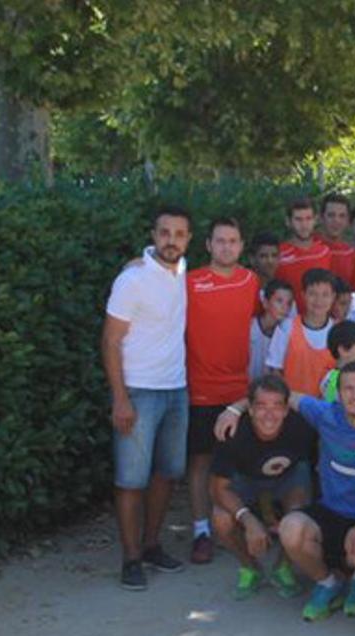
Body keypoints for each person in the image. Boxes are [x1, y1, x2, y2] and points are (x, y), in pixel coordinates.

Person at [215, 361, 355, 621]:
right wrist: (235, 408)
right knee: (291, 528)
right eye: (348, 388)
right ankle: (327, 582)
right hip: (331, 511)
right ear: (338, 392)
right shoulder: (325, 414)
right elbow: (277, 394)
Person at [103, 206, 192, 591]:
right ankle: (131, 558)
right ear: (154, 235)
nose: (171, 240)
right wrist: (120, 398)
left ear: (188, 239)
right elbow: (110, 340)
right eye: (165, 232)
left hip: (176, 389)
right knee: (130, 479)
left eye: (179, 233)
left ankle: (153, 544)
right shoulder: (132, 280)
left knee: (168, 474)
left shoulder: (184, 271)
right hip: (139, 390)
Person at [184, 217, 260, 565]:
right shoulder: (189, 282)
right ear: (208, 245)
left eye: (233, 240)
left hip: (239, 391)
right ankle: (201, 531)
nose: (226, 246)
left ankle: (239, 524)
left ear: (242, 246)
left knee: (239, 462)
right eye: (220, 240)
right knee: (200, 462)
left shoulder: (251, 280)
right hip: (199, 388)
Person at [209, 374, 315, 600]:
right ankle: (250, 567)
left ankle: (282, 567)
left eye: (277, 406)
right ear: (250, 409)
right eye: (261, 406)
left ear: (287, 410)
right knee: (221, 517)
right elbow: (217, 488)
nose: (269, 414)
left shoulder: (302, 425)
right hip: (245, 479)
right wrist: (248, 520)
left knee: (299, 510)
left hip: (288, 477)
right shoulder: (231, 429)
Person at [266, 268, 337, 397]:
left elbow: (339, 371)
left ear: (333, 297)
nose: (318, 300)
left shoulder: (338, 331)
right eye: (312, 294)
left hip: (324, 408)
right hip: (292, 406)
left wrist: (328, 402)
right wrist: (286, 398)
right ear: (303, 295)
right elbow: (275, 369)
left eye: (325, 294)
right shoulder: (286, 327)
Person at [276, 198, 331, 314]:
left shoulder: (324, 252)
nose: (304, 225)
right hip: (288, 322)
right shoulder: (279, 254)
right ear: (288, 221)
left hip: (320, 321)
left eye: (308, 218)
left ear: (315, 220)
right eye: (298, 219)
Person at [317, 194, 355, 289]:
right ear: (321, 218)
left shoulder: (351, 254)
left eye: (342, 216)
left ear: (348, 220)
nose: (336, 220)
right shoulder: (310, 248)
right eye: (331, 215)